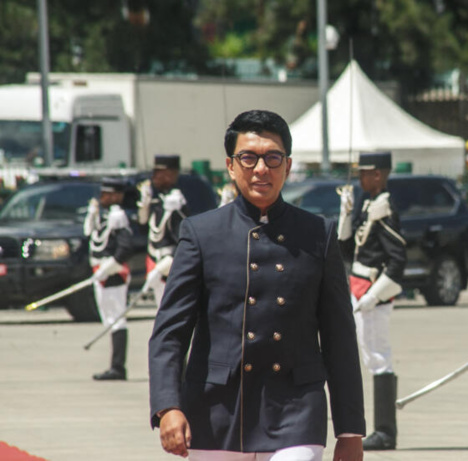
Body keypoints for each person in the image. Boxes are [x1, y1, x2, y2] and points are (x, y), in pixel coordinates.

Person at [148, 110, 365, 461]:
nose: (261, 168)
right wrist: (167, 406)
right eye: (248, 158)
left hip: (297, 409)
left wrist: (350, 431)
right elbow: (169, 331)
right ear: (231, 166)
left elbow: (339, 336)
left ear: (288, 166)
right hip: (215, 409)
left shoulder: (318, 233)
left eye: (272, 158)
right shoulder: (201, 233)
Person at [337, 151, 407, 451]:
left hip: (372, 294)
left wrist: (373, 295)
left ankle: (386, 431)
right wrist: (345, 214)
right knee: (371, 356)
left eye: (364, 173)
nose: (361, 178)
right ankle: (382, 429)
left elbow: (397, 261)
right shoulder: (370, 205)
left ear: (377, 175)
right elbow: (346, 249)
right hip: (359, 287)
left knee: (379, 357)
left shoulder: (385, 208)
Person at [83, 177, 134, 380]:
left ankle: (118, 367)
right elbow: (91, 235)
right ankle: (115, 366)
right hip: (100, 272)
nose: (101, 198)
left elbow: (125, 248)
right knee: (109, 318)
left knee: (117, 319)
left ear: (115, 196)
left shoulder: (117, 217)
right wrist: (91, 214)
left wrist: (108, 266)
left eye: (106, 194)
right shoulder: (103, 216)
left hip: (112, 274)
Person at [137, 154, 188, 307]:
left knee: (171, 312)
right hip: (155, 262)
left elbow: (184, 241)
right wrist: (144, 207)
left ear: (171, 175)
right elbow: (144, 230)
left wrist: (161, 269)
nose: (154, 178)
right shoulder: (159, 202)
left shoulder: (176, 203)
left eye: (158, 174)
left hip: (168, 269)